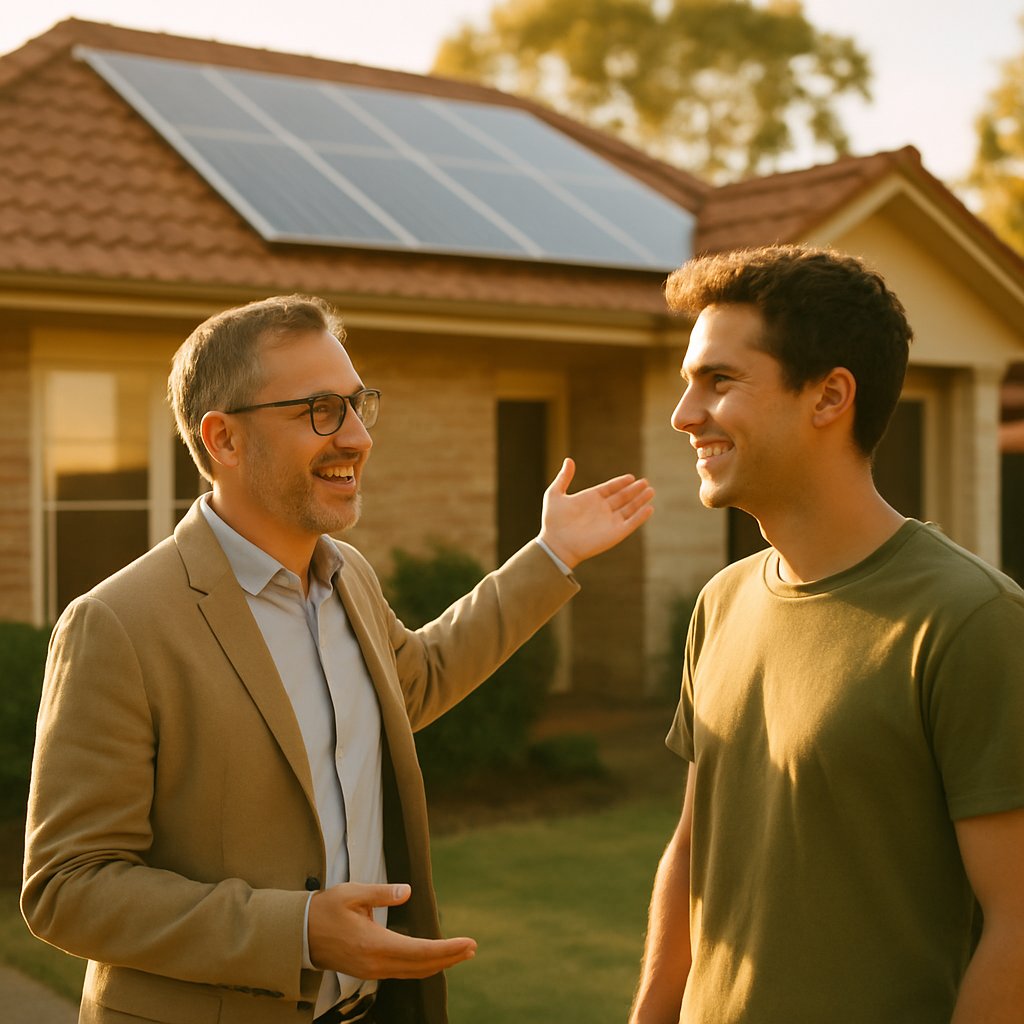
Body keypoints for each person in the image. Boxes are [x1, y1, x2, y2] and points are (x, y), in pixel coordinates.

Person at [22, 294, 655, 1024]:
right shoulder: (115, 626)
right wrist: (296, 930)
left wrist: (552, 555)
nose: (357, 437)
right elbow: (68, 887)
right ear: (223, 440)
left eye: (358, 405)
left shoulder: (346, 573)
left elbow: (418, 680)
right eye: (321, 409)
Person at [631, 246, 1024, 1024]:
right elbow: (692, 852)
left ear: (830, 396)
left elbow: (1018, 922)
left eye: (719, 381)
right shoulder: (721, 604)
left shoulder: (971, 620)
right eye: (688, 384)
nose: (685, 415)